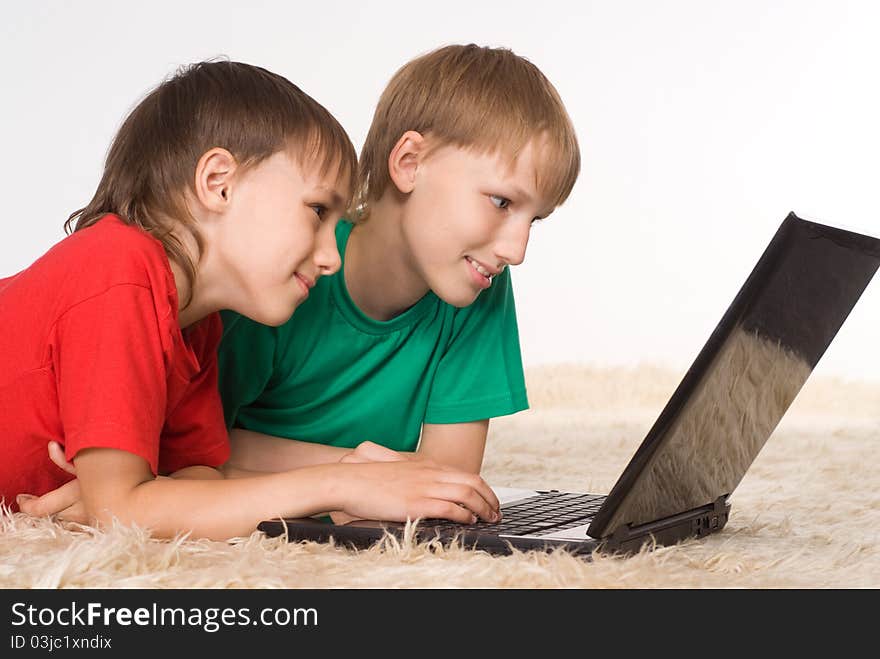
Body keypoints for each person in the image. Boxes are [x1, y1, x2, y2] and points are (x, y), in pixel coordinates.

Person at [4, 60, 500, 540]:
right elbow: (124, 509)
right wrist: (340, 483)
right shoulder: (117, 270)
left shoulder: (197, 326)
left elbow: (198, 481)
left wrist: (146, 499)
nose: (332, 257)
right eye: (317, 210)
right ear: (219, 183)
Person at [217, 45, 581, 495]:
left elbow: (446, 481)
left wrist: (374, 479)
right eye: (501, 202)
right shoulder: (287, 265)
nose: (517, 250)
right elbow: (188, 449)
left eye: (534, 220)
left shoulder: (480, 284)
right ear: (410, 163)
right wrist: (355, 474)